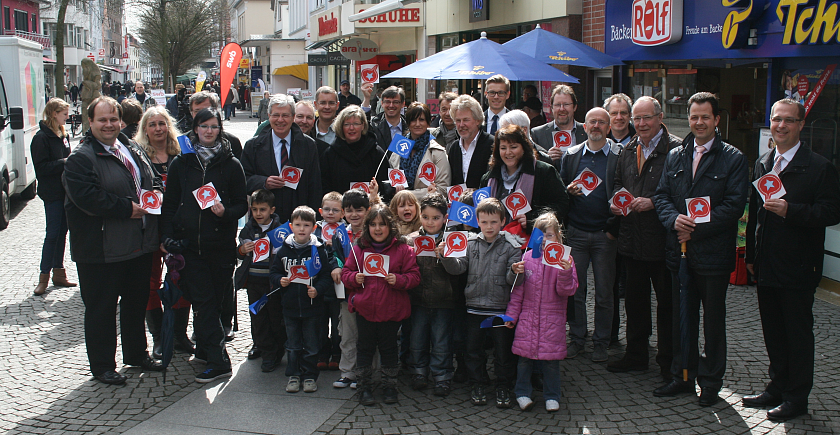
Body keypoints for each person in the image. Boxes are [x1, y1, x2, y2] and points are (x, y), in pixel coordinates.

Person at [743, 99, 840, 421]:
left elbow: (831, 212)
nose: (781, 126)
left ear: (800, 125)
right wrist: (752, 256)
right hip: (767, 263)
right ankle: (777, 386)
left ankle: (797, 397)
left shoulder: (819, 167)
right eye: (776, 120)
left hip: (799, 265)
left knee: (797, 334)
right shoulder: (764, 162)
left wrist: (792, 211)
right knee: (773, 330)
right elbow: (756, 214)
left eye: (788, 120)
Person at [652, 92, 749, 406]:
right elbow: (662, 196)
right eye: (694, 117)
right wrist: (673, 220)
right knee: (682, 318)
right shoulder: (676, 154)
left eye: (705, 117)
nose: (699, 122)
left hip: (713, 255)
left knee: (713, 322)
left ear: (717, 119)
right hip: (678, 253)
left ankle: (710, 383)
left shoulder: (733, 158)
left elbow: (734, 206)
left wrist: (695, 227)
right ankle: (683, 377)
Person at [63, 96, 163, 385]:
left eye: (113, 119)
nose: (109, 125)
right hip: (101, 250)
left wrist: (155, 195)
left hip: (138, 245)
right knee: (102, 309)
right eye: (102, 120)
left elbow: (149, 179)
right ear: (90, 122)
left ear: (121, 121)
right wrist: (126, 208)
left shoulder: (130, 147)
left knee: (135, 303)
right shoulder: (80, 159)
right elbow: (87, 198)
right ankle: (103, 365)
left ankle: (136, 353)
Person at [159, 107, 248, 383]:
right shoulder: (181, 164)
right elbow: (170, 204)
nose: (209, 131)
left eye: (214, 126)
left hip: (219, 246)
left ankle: (209, 349)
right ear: (195, 129)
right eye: (204, 126)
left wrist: (226, 213)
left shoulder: (231, 164)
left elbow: (242, 204)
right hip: (189, 247)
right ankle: (219, 360)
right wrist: (166, 237)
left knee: (214, 302)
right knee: (204, 301)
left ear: (220, 129)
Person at [606, 96, 680, 379]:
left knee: (667, 306)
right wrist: (616, 201)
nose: (641, 124)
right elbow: (617, 184)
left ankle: (668, 361)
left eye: (646, 118)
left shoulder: (675, 149)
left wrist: (652, 203)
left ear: (660, 118)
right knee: (635, 304)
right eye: (637, 119)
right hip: (631, 240)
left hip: (662, 241)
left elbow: (681, 192)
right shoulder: (628, 148)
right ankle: (636, 355)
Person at [439, 198, 522, 408]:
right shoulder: (470, 244)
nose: (489, 227)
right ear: (477, 221)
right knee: (473, 350)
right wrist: (445, 256)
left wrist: (514, 272)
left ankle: (503, 385)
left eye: (494, 222)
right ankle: (478, 383)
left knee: (503, 351)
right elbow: (457, 268)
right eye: (484, 222)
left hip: (500, 309)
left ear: (503, 221)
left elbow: (514, 282)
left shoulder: (512, 246)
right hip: (474, 308)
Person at [341, 205, 421, 406]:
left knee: (389, 349)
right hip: (365, 309)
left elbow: (414, 276)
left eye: (382, 225)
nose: (378, 229)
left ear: (390, 226)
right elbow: (345, 273)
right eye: (374, 225)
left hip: (391, 310)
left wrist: (400, 280)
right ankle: (364, 387)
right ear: (367, 227)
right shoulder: (359, 248)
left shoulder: (404, 249)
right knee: (364, 348)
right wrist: (354, 277)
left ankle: (389, 386)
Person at [558, 107, 621, 362]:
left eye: (601, 123)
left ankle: (602, 342)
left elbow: (624, 190)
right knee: (576, 290)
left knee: (605, 292)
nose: (596, 126)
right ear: (584, 126)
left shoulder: (619, 155)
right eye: (592, 122)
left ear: (608, 127)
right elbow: (559, 190)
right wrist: (568, 191)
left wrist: (612, 228)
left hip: (605, 234)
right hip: (577, 232)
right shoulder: (571, 155)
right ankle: (578, 338)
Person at [134, 106, 194, 357]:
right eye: (152, 124)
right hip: (149, 229)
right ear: (145, 129)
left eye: (162, 123)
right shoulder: (137, 154)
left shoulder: (183, 150)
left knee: (181, 279)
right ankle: (159, 336)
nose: (158, 128)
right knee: (150, 283)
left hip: (178, 226)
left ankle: (179, 334)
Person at [506, 213, 578, 412]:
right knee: (524, 361)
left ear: (558, 237)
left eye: (549, 235)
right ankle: (522, 392)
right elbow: (517, 292)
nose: (544, 240)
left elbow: (567, 291)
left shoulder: (565, 260)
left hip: (551, 320)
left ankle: (552, 395)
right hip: (528, 319)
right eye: (540, 235)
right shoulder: (527, 257)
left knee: (551, 363)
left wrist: (565, 271)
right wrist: (512, 315)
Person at [271, 205, 333, 393]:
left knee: (312, 345)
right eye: (298, 225)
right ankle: (294, 375)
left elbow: (325, 276)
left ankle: (309, 376)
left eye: (306, 225)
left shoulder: (318, 250)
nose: (301, 229)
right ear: (291, 226)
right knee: (293, 345)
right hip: (289, 307)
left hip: (312, 308)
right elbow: (274, 272)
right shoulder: (283, 251)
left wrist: (318, 290)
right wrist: (278, 280)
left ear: (314, 227)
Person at [406, 193, 458, 396]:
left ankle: (442, 376)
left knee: (441, 341)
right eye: (426, 217)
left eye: (436, 218)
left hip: (444, 300)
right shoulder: (412, 240)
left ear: (445, 218)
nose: (430, 222)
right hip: (417, 299)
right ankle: (418, 371)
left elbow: (458, 270)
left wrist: (445, 255)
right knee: (417, 339)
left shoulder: (452, 241)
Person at [241, 94, 322, 223]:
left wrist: (313, 220)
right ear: (269, 117)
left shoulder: (308, 145)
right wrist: (264, 182)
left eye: (285, 115)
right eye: (276, 115)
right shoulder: (253, 146)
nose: (280, 120)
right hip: (265, 221)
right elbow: (243, 179)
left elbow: (315, 185)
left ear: (293, 117)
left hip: (299, 220)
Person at [479, 125, 569, 234]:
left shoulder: (544, 172)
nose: (508, 152)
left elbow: (561, 204)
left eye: (513, 147)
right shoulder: (488, 178)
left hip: (532, 242)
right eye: (503, 148)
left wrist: (532, 219)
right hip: (496, 245)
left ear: (523, 148)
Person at [31, 98, 76, 296]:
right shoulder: (41, 138)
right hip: (52, 193)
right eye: (64, 114)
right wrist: (64, 162)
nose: (67, 117)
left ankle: (59, 273)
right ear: (53, 114)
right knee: (52, 234)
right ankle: (44, 275)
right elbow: (40, 168)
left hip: (64, 191)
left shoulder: (61, 134)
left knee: (62, 233)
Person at [236, 189, 285, 366]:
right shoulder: (248, 229)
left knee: (275, 317)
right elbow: (240, 253)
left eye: (262, 209)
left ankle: (277, 350)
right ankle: (266, 351)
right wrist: (242, 250)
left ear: (271, 210)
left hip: (272, 283)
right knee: (258, 317)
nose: (258, 214)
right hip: (253, 281)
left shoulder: (280, 231)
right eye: (254, 209)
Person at [331, 189, 370, 390]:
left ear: (368, 210)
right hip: (347, 293)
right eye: (349, 210)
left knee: (367, 336)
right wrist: (336, 266)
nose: (354, 214)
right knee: (347, 334)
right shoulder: (339, 233)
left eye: (359, 210)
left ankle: (364, 372)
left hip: (370, 293)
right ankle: (347, 372)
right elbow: (334, 255)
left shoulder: (375, 231)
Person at [319, 105, 390, 197]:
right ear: (341, 127)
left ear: (363, 125)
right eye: (347, 124)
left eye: (356, 124)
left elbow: (385, 183)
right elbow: (324, 185)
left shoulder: (376, 152)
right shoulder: (330, 154)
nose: (351, 128)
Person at [388, 102, 451, 200]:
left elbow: (442, 189)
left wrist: (407, 195)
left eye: (421, 120)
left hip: (426, 210)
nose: (417, 124)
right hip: (400, 208)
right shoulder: (398, 148)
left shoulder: (437, 152)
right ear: (408, 123)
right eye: (413, 120)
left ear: (428, 122)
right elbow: (390, 179)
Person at [315, 192, 344, 371]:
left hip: (337, 284)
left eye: (335, 210)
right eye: (327, 209)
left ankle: (337, 353)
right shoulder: (315, 229)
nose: (330, 213)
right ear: (320, 211)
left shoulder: (344, 231)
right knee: (319, 321)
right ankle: (322, 352)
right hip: (319, 283)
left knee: (337, 322)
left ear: (342, 213)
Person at [532, 85, 588, 168]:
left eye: (566, 104)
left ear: (575, 107)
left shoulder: (586, 131)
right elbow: (532, 165)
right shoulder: (537, 134)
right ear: (552, 108)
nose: (562, 109)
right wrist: (547, 158)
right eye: (558, 105)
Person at [178, 91, 243, 159]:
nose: (202, 115)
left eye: (206, 110)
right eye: (197, 111)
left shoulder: (232, 142)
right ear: (191, 113)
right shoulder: (183, 141)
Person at [447, 95, 494, 188]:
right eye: (458, 120)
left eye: (466, 120)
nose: (461, 125)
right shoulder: (454, 147)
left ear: (478, 120)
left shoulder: (492, 144)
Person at [364, 85, 406, 149]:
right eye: (387, 102)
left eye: (396, 102)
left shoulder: (410, 126)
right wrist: (366, 99)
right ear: (382, 103)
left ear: (403, 104)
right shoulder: (374, 125)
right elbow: (363, 125)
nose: (391, 105)